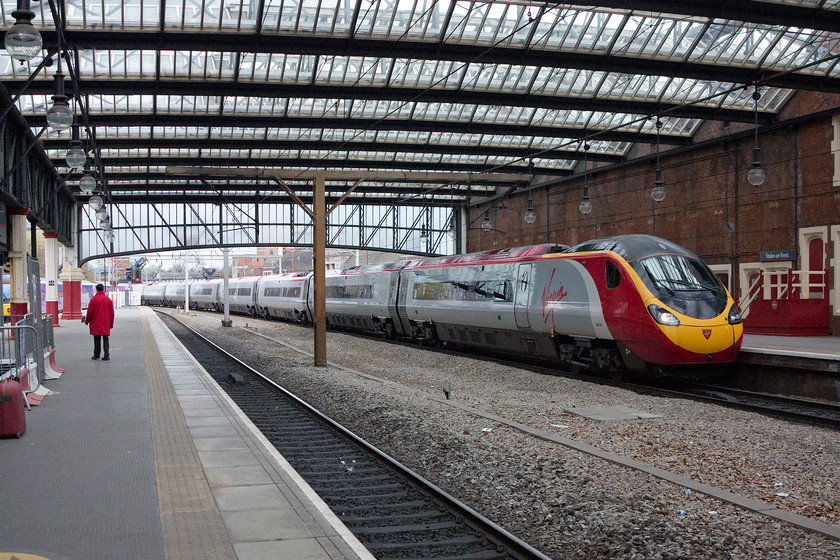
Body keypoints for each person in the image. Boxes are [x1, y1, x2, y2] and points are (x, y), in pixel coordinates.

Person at [83, 283, 115, 361]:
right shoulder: (108, 300)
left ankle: (96, 354)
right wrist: (111, 324)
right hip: (105, 322)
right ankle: (106, 355)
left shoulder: (93, 299)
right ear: (103, 289)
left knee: (97, 339)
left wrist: (87, 321)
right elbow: (112, 313)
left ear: (96, 290)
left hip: (96, 322)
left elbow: (89, 313)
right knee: (105, 338)